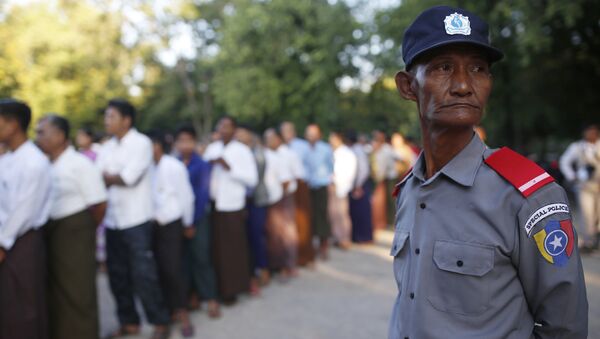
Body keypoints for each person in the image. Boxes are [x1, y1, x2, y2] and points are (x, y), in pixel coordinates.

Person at [388, 6, 588, 338]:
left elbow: (564, 326)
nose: (464, 85)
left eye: (478, 69)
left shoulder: (527, 196)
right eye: (444, 67)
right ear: (408, 87)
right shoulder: (410, 189)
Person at [96, 99, 170, 339]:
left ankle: (159, 322)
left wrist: (110, 177)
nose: (107, 121)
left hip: (136, 220)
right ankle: (129, 322)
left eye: (111, 116)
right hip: (113, 221)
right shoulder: (107, 147)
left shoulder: (141, 143)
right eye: (106, 117)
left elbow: (129, 178)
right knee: (117, 275)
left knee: (144, 274)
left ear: (126, 120)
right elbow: (99, 176)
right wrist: (111, 177)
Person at [35, 115, 107, 339]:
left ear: (60, 135)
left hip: (75, 231)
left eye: (42, 132)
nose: (38, 138)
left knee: (79, 290)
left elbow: (100, 203)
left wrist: (84, 230)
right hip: (54, 231)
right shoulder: (45, 164)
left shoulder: (79, 163)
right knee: (58, 292)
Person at [0, 99, 52, 339]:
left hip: (21, 241)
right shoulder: (8, 159)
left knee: (24, 307)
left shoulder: (34, 161)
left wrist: (2, 242)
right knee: (8, 306)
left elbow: (24, 210)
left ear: (13, 124)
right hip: (7, 238)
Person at [203, 116, 258, 302]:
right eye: (221, 125)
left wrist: (229, 168)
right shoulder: (212, 148)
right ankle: (218, 288)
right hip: (214, 205)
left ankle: (233, 289)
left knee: (233, 249)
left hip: (233, 206)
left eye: (228, 126)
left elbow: (252, 179)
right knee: (217, 249)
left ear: (234, 130)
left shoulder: (242, 151)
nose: (224, 129)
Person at [148, 131, 195, 337]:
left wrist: (188, 222)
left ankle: (183, 313)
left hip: (173, 223)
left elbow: (186, 196)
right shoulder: (146, 168)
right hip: (152, 224)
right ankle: (165, 315)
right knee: (157, 270)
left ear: (157, 146)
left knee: (173, 269)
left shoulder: (173, 166)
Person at [174, 125, 221, 318]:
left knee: (202, 258)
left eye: (188, 140)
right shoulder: (173, 163)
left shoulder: (201, 164)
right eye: (181, 141)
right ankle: (191, 295)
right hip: (178, 220)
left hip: (197, 219)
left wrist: (191, 222)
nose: (185, 144)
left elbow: (202, 196)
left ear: (194, 142)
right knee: (184, 260)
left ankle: (211, 298)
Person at [236, 125, 271, 292]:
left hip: (256, 201)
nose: (240, 138)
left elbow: (253, 180)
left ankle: (263, 269)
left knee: (257, 236)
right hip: (242, 202)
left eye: (243, 135)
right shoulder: (239, 154)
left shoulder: (257, 154)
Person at [264, 128, 299, 279]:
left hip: (282, 198)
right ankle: (276, 265)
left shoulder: (284, 155)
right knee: (273, 235)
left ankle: (288, 265)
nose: (268, 141)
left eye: (271, 138)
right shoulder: (267, 155)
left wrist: (280, 197)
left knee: (286, 234)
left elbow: (287, 180)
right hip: (270, 199)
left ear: (278, 139)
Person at [559, 124, 600, 252]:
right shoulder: (577, 147)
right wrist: (573, 176)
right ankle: (588, 242)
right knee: (587, 214)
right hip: (585, 186)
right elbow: (564, 161)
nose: (591, 135)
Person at [280, 121, 316, 266]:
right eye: (283, 131)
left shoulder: (302, 146)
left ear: (293, 131)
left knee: (303, 222)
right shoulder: (281, 148)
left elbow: (311, 166)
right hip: (286, 188)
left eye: (288, 130)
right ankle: (290, 257)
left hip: (301, 186)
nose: (286, 134)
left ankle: (305, 256)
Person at [304, 124, 334, 260]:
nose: (311, 136)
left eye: (314, 134)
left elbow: (330, 167)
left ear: (319, 135)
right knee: (309, 216)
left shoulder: (325, 148)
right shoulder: (303, 148)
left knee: (322, 215)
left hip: (321, 185)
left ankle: (324, 245)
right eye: (309, 134)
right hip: (307, 186)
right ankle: (311, 246)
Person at [328, 131, 357, 249]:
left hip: (341, 187)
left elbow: (350, 172)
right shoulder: (332, 152)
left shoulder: (347, 153)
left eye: (332, 139)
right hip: (332, 186)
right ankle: (337, 237)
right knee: (333, 214)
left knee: (342, 214)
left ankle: (345, 238)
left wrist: (342, 184)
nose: (330, 141)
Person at [347, 130, 374, 243]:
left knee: (361, 212)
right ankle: (357, 235)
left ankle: (363, 236)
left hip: (360, 184)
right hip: (358, 184)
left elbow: (363, 170)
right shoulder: (355, 150)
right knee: (356, 212)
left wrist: (358, 185)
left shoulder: (357, 151)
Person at [370, 130, 398, 229]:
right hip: (380, 177)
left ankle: (391, 221)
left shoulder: (387, 149)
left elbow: (396, 159)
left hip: (389, 177)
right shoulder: (375, 148)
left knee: (390, 199)